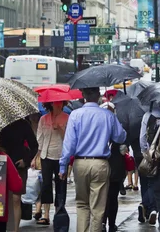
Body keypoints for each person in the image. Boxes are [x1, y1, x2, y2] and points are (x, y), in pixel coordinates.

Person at [59, 87, 126, 232]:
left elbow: (69, 144)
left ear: (83, 95)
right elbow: (120, 137)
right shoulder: (108, 115)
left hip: (80, 163)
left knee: (82, 204)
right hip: (100, 163)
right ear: (98, 96)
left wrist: (63, 166)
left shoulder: (75, 115)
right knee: (97, 208)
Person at [33, 101, 69, 225]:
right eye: (55, 103)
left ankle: (59, 213)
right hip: (46, 156)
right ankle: (46, 214)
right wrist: (37, 156)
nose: (58, 105)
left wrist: (59, 129)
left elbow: (69, 138)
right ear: (51, 104)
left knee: (61, 185)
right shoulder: (44, 119)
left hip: (61, 157)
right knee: (46, 185)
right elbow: (40, 138)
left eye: (60, 103)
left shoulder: (67, 118)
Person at [0, 117, 38, 232]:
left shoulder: (23, 124)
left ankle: (15, 229)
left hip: (18, 164)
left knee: (16, 198)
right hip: (1, 164)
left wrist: (26, 160)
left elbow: (34, 145)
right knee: (1, 197)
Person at [100, 102, 126, 232]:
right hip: (115, 167)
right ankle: (111, 224)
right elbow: (123, 145)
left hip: (101, 165)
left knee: (101, 197)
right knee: (113, 197)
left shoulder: (97, 127)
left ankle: (102, 222)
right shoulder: (117, 126)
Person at [138, 102, 160, 224]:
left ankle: (145, 204)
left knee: (150, 181)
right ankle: (153, 208)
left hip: (150, 152)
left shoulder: (147, 115)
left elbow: (142, 136)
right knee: (158, 182)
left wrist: (145, 151)